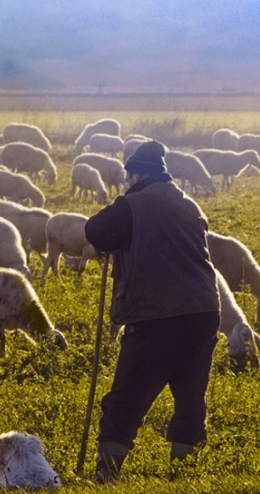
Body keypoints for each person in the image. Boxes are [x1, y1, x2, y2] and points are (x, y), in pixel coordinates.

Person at [84, 140, 221, 483]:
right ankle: (183, 472)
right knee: (190, 394)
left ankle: (107, 472)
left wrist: (123, 200)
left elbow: (96, 232)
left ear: (135, 175)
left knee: (128, 393)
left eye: (128, 176)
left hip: (158, 312)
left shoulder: (135, 203)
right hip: (203, 311)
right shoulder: (189, 204)